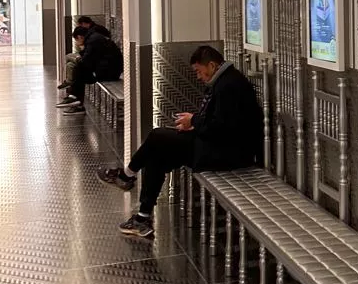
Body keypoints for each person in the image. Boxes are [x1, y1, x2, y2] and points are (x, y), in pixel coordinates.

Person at [98, 45, 262, 238]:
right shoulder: (225, 81)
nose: (198, 77)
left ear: (212, 65)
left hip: (226, 153)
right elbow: (218, 123)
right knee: (157, 154)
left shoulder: (229, 86)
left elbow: (221, 127)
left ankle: (126, 176)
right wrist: (194, 123)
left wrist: (194, 121)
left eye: (199, 71)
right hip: (217, 145)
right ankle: (142, 217)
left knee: (157, 136)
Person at [58, 21, 123, 113]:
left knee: (79, 69)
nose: (77, 43)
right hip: (109, 69)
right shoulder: (93, 38)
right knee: (78, 69)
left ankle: (75, 99)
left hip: (109, 73)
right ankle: (75, 99)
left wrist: (78, 59)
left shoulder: (93, 40)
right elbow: (88, 56)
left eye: (76, 40)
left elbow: (86, 60)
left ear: (79, 37)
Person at [58, 16, 111, 93]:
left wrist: (79, 58)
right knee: (71, 65)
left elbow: (87, 58)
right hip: (102, 66)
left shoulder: (93, 37)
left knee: (71, 60)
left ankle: (71, 86)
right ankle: (71, 86)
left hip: (103, 69)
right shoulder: (92, 35)